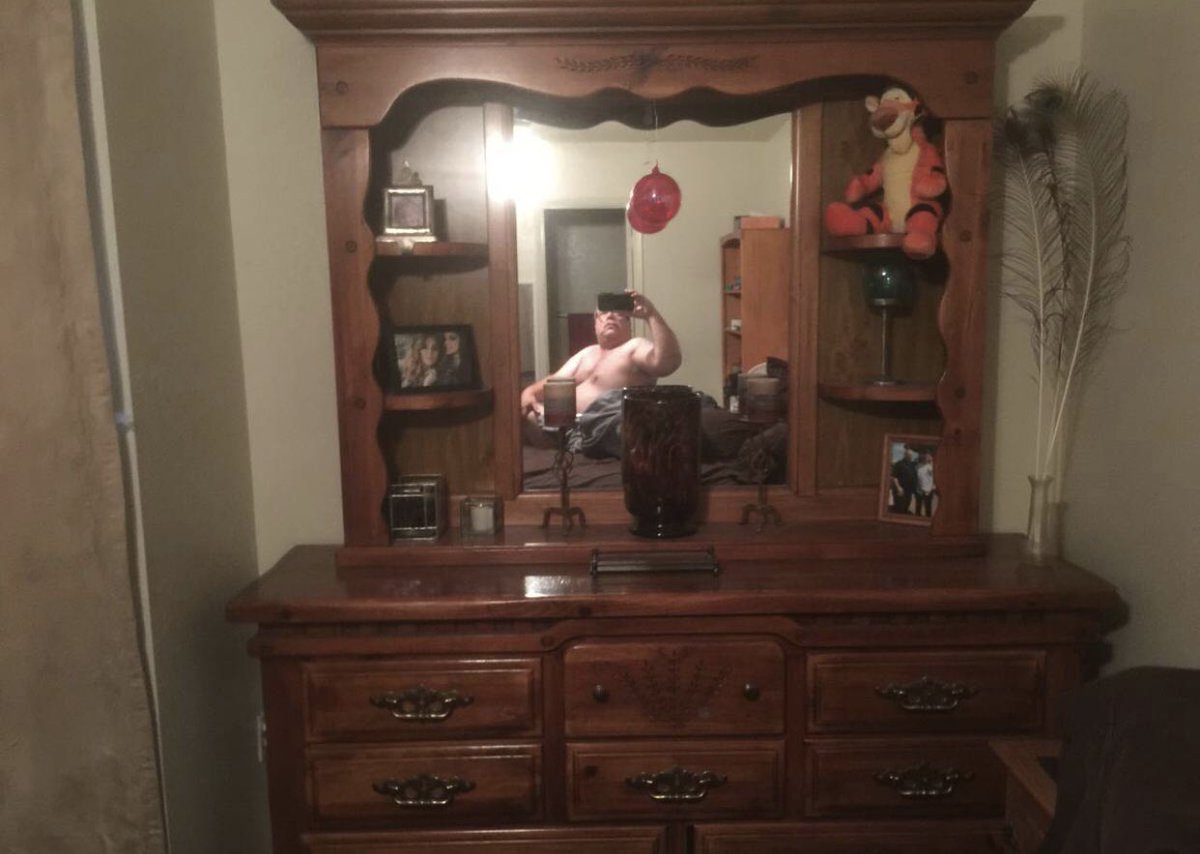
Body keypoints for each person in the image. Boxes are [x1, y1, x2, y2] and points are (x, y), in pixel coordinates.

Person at [519, 290, 681, 450]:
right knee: (524, 417)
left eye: (617, 313)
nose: (610, 316)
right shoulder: (586, 353)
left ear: (628, 322)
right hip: (566, 427)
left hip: (603, 427)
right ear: (595, 323)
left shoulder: (634, 346)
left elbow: (667, 363)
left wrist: (651, 315)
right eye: (603, 312)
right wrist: (528, 393)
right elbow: (553, 383)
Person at [889, 444, 919, 514]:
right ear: (905, 455)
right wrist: (898, 487)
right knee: (899, 509)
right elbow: (894, 477)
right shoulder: (899, 464)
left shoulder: (912, 464)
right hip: (900, 490)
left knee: (906, 507)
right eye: (909, 455)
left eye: (911, 455)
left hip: (909, 491)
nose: (911, 457)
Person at [915, 449, 936, 516]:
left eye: (927, 456)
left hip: (928, 491)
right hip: (919, 491)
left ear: (929, 457)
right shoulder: (917, 466)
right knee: (918, 509)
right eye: (924, 456)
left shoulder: (932, 466)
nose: (925, 457)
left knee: (928, 509)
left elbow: (935, 479)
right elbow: (916, 478)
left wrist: (932, 488)